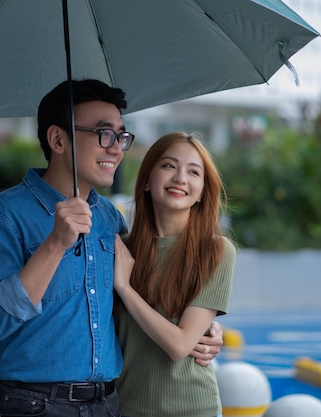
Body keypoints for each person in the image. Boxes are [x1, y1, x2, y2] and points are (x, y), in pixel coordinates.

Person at [0, 80, 222, 417]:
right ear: (58, 139)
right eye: (104, 134)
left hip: (107, 404)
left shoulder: (108, 220)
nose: (115, 148)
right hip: (33, 405)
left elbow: (128, 303)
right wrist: (55, 243)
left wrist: (204, 331)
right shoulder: (3, 216)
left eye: (121, 136)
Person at [113, 132, 236, 417]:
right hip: (125, 407)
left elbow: (180, 345)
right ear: (146, 180)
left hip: (192, 408)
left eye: (194, 172)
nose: (181, 178)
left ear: (203, 191)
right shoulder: (122, 249)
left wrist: (125, 288)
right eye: (169, 166)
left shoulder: (216, 251)